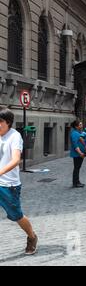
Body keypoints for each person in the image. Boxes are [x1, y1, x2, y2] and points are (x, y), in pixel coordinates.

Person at [0, 107, 38, 255]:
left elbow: (16, 160)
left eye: (0, 122)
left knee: (17, 216)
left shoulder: (15, 136)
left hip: (9, 185)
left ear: (8, 122)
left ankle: (32, 237)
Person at [70, 120, 86, 188]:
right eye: (80, 125)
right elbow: (75, 144)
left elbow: (82, 140)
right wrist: (80, 153)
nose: (81, 126)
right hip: (77, 154)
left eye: (81, 124)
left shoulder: (79, 132)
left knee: (78, 167)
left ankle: (77, 181)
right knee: (76, 168)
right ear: (76, 126)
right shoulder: (74, 133)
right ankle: (75, 183)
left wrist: (85, 147)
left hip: (80, 153)